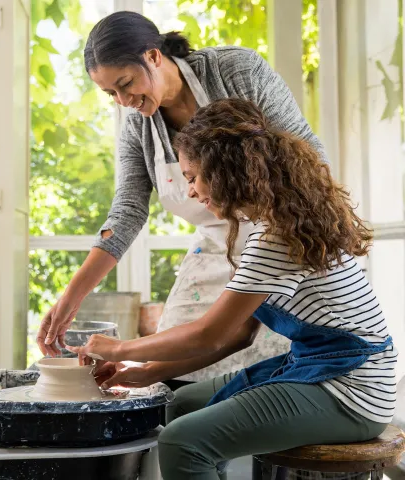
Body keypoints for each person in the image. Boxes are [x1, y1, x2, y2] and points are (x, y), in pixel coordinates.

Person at [66, 98, 397, 480]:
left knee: (181, 443)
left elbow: (210, 335)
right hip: (325, 368)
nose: (189, 192)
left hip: (351, 389)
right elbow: (238, 335)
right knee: (181, 403)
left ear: (225, 171)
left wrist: (119, 348)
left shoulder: (277, 237)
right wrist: (143, 373)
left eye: (192, 177)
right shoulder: (268, 224)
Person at [36, 11, 328, 385]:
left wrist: (274, 256)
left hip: (281, 238)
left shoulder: (236, 70)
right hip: (214, 247)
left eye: (126, 83)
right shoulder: (137, 126)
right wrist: (70, 300)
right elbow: (127, 212)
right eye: (111, 93)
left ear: (154, 56)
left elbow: (307, 156)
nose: (124, 101)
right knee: (170, 377)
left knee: (268, 375)